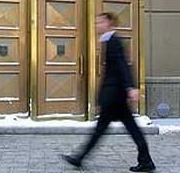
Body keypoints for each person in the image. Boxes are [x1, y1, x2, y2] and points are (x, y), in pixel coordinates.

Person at [61, 12, 156, 172]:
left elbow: (122, 66)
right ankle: (146, 161)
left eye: (99, 22)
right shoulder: (108, 41)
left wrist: (130, 87)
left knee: (103, 130)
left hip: (114, 97)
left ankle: (79, 158)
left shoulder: (113, 42)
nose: (97, 25)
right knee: (125, 129)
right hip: (115, 97)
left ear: (109, 23)